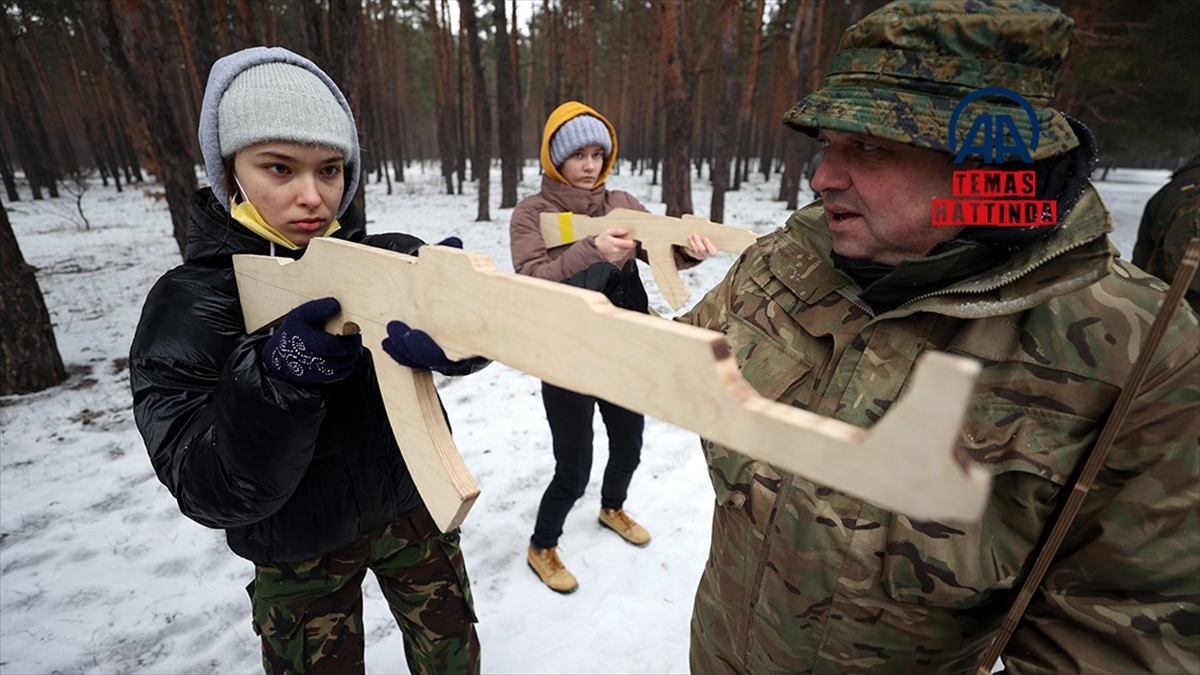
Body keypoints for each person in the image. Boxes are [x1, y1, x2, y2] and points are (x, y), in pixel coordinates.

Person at [680, 2, 1200, 673]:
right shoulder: (792, 259)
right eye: (827, 145)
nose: (822, 179)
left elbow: (1127, 633)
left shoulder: (1137, 351)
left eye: (867, 146)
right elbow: (665, 359)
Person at [129, 46, 487, 674]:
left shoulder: (383, 258)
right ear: (229, 170)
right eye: (279, 168)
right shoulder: (188, 306)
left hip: (414, 514)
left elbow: (483, 324)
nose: (313, 197)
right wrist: (278, 374)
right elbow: (206, 489)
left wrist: (467, 324)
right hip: (295, 547)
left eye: (329, 169)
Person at [509, 101, 717, 594]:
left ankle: (613, 507)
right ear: (553, 158)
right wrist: (591, 250)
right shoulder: (532, 213)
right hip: (565, 357)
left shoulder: (620, 201)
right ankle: (542, 544)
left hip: (624, 351)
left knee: (628, 449)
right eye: (576, 153)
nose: (589, 164)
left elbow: (658, 250)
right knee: (573, 468)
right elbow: (530, 279)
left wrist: (689, 248)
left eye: (597, 153)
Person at [1133, 152, 1200, 313]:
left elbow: (1142, 255)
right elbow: (1185, 266)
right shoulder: (1193, 195)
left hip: (1157, 308)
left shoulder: (1172, 188)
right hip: (1183, 318)